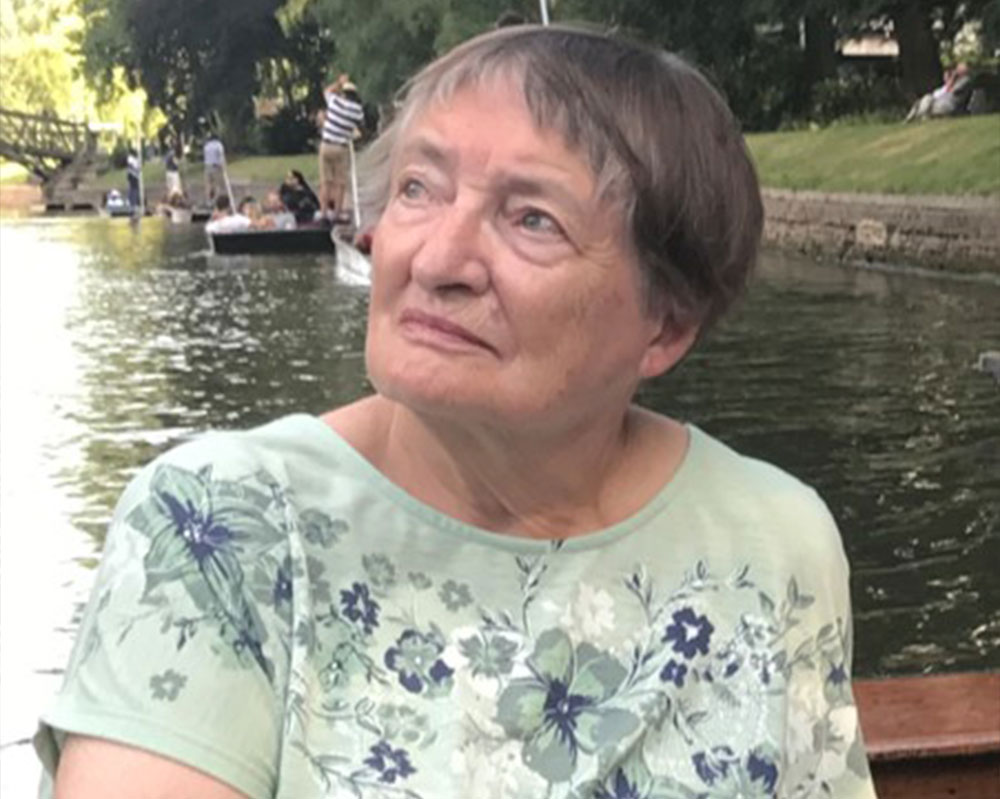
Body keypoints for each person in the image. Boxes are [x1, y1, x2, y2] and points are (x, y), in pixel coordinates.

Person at [36, 25, 877, 799]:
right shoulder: (220, 527)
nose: (437, 258)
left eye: (532, 219)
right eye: (417, 188)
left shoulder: (772, 540)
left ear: (664, 324)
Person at [318, 72, 365, 220]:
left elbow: (326, 91)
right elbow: (360, 125)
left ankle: (324, 213)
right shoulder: (357, 111)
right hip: (341, 148)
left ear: (343, 93)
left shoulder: (335, 102)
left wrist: (338, 83)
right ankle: (337, 214)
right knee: (340, 183)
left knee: (325, 182)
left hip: (326, 146)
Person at [203, 132, 226, 202]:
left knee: (208, 184)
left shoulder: (206, 146)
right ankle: (216, 200)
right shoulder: (218, 145)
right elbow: (221, 156)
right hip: (216, 166)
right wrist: (223, 166)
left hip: (207, 166)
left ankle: (208, 200)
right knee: (217, 184)